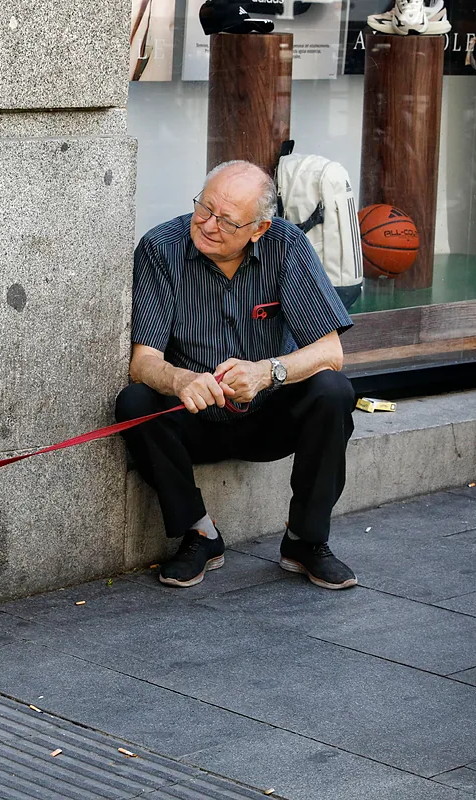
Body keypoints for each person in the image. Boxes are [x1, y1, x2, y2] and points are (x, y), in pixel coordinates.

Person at [115, 160, 358, 591]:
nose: (208, 225)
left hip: (267, 416)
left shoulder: (286, 245)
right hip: (194, 416)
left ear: (259, 228)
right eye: (204, 208)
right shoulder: (160, 247)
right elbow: (143, 361)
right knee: (135, 401)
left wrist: (268, 372)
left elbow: (330, 352)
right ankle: (199, 533)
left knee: (332, 390)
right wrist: (180, 380)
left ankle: (306, 539)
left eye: (227, 221)